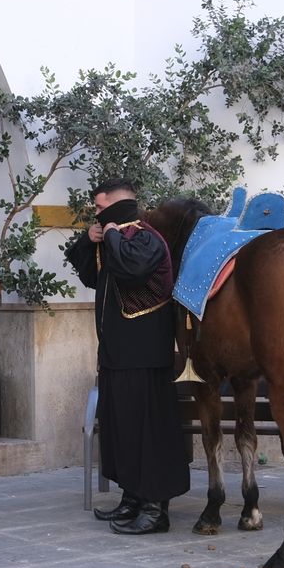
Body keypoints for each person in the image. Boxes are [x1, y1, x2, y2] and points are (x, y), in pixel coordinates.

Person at [65, 178, 190, 535]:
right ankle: (133, 496)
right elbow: (91, 276)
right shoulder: (117, 239)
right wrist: (89, 240)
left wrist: (111, 233)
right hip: (117, 356)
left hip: (145, 358)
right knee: (124, 430)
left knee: (148, 432)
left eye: (100, 208)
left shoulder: (146, 238)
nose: (97, 215)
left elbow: (130, 269)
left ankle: (155, 509)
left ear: (117, 206)